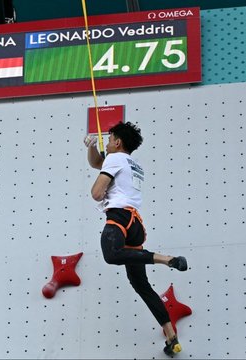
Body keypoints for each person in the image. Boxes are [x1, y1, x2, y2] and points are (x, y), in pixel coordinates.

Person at [84, 122, 188, 356]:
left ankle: (166, 259)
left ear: (118, 142)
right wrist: (92, 148)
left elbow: (96, 193)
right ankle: (171, 337)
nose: (107, 143)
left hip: (119, 218)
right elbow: (98, 163)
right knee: (141, 285)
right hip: (136, 225)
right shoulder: (132, 163)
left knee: (111, 255)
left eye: (109, 139)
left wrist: (101, 188)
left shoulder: (114, 159)